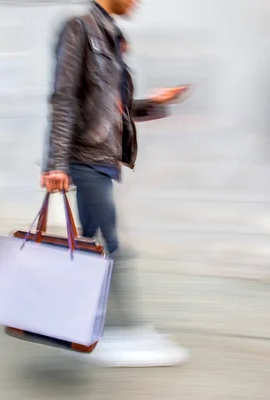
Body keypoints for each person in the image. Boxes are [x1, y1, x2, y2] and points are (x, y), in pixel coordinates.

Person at [41, 0, 190, 367]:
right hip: (85, 157)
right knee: (109, 247)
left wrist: (154, 103)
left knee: (92, 248)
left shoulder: (109, 35)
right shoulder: (80, 28)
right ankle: (121, 331)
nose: (138, 2)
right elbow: (64, 99)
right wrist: (56, 163)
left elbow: (111, 107)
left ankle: (81, 328)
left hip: (104, 159)